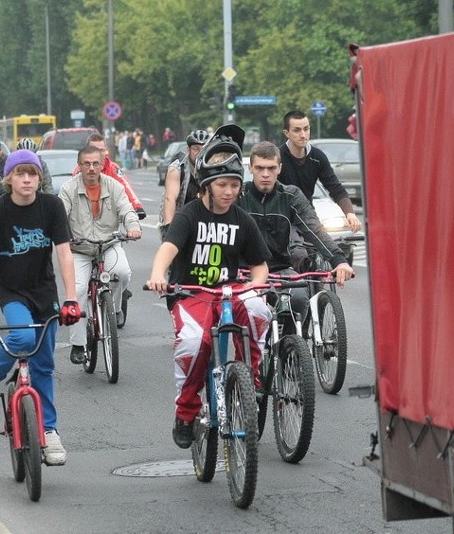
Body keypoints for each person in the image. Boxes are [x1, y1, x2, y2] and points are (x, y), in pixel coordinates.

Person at [144, 124, 272, 449]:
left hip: (230, 291)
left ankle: (252, 383)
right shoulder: (190, 214)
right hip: (191, 294)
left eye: (234, 185)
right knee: (194, 342)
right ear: (207, 185)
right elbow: (168, 249)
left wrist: (255, 286)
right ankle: (186, 411)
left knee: (258, 309)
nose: (229, 192)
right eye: (222, 185)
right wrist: (159, 273)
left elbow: (259, 266)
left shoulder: (242, 219)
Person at [0, 150, 81, 466]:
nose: (26, 179)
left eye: (33, 174)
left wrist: (71, 299)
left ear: (40, 178)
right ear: (9, 177)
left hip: (45, 292)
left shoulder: (52, 206)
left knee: (43, 365)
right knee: (24, 339)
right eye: (20, 173)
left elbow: (65, 254)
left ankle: (49, 431)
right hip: (12, 292)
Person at [237, 141, 353, 317]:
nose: (266, 174)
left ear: (280, 168)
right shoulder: (238, 196)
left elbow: (314, 229)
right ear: (250, 168)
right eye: (260, 168)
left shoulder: (291, 196)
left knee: (299, 299)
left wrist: (339, 260)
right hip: (243, 272)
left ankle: (291, 343)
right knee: (244, 310)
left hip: (281, 269)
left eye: (271, 168)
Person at [59, 144, 141, 364]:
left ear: (103, 164)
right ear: (80, 166)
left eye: (96, 163)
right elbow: (59, 216)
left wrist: (133, 227)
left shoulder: (114, 186)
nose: (92, 168)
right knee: (76, 290)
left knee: (122, 273)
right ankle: (78, 344)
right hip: (80, 248)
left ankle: (112, 309)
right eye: (87, 164)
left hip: (108, 244)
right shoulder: (68, 189)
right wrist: (63, 236)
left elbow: (127, 210)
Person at [277, 110, 362, 232]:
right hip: (282, 219)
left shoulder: (317, 157)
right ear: (286, 133)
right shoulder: (277, 157)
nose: (303, 134)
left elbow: (335, 187)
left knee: (327, 247)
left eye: (306, 129)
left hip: (308, 216)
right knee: (298, 251)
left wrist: (350, 213)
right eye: (297, 130)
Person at [73, 133, 147, 219]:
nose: (98, 154)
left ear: (106, 150)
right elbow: (73, 194)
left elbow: (125, 186)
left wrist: (137, 206)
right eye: (94, 150)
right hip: (86, 215)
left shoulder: (112, 167)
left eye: (101, 150)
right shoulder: (80, 170)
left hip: (108, 215)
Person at [157, 129, 210, 240]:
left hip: (204, 220)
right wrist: (168, 227)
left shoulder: (213, 168)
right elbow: (170, 199)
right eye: (196, 149)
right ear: (188, 150)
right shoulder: (176, 168)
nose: (200, 153)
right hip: (179, 217)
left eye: (204, 149)